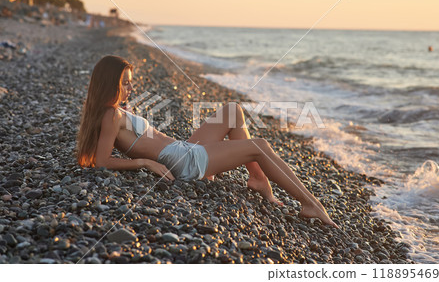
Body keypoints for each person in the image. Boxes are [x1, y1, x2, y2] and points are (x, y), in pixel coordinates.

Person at [76, 55, 338, 228]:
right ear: (109, 84)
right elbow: (101, 162)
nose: (130, 90)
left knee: (233, 110)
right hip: (184, 162)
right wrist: (143, 163)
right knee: (260, 147)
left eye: (131, 84)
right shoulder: (111, 114)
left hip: (183, 150)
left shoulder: (112, 111)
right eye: (125, 84)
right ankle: (311, 204)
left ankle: (258, 179)